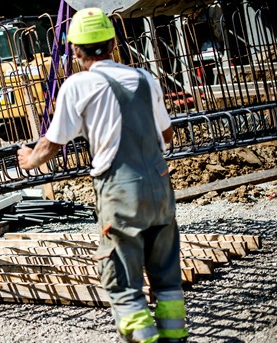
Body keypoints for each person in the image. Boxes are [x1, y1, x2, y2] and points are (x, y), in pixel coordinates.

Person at [17, 8, 188, 343]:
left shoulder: (77, 86)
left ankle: (143, 337)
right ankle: (175, 335)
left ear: (76, 50)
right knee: (166, 274)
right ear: (112, 42)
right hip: (160, 186)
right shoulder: (144, 78)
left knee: (122, 277)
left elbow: (52, 143)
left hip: (119, 190)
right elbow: (166, 136)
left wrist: (29, 160)